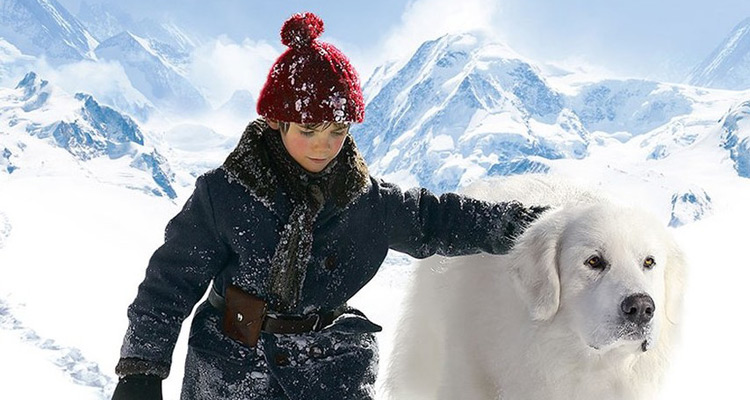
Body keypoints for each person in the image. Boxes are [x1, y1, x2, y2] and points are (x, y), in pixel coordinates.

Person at [111, 12, 546, 400]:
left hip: (332, 375)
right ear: (277, 121)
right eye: (308, 128)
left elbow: (438, 219)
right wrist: (141, 370)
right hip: (231, 374)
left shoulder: (369, 202)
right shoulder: (225, 194)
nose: (323, 145)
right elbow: (169, 284)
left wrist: (529, 226)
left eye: (337, 129)